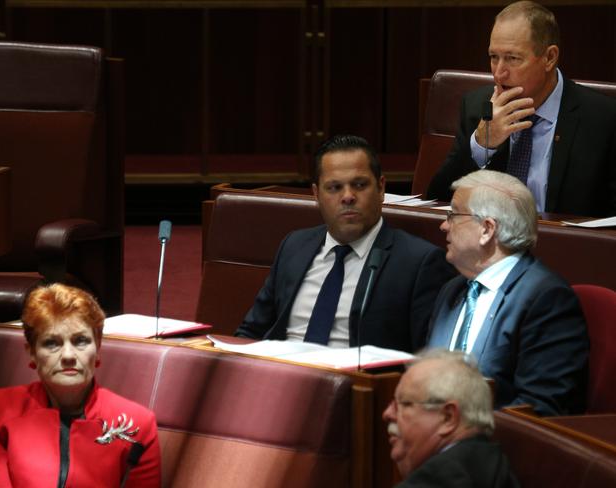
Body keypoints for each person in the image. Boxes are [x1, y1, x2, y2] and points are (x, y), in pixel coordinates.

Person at [235, 134, 455, 351]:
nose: (348, 196)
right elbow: (252, 331)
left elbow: (429, 358)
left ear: (380, 189)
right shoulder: (294, 246)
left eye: (359, 185)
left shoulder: (418, 262)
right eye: (334, 187)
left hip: (359, 383)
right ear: (316, 194)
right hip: (285, 376)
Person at [426, 1, 616, 218]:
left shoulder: (603, 119)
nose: (499, 73)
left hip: (568, 247)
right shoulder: (478, 107)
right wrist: (481, 144)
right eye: (493, 57)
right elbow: (438, 199)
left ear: (549, 57)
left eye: (512, 58)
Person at [426, 170, 588, 415]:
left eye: (453, 215)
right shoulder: (453, 290)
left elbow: (540, 408)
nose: (443, 225)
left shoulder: (546, 299)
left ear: (487, 229)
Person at [0, 284, 161, 487]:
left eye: (80, 341)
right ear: (32, 352)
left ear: (98, 348)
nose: (68, 356)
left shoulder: (138, 425)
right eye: (52, 343)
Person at [382, 349, 519, 487]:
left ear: (448, 417)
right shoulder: (489, 461)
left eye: (405, 404)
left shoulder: (438, 481)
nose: (387, 413)